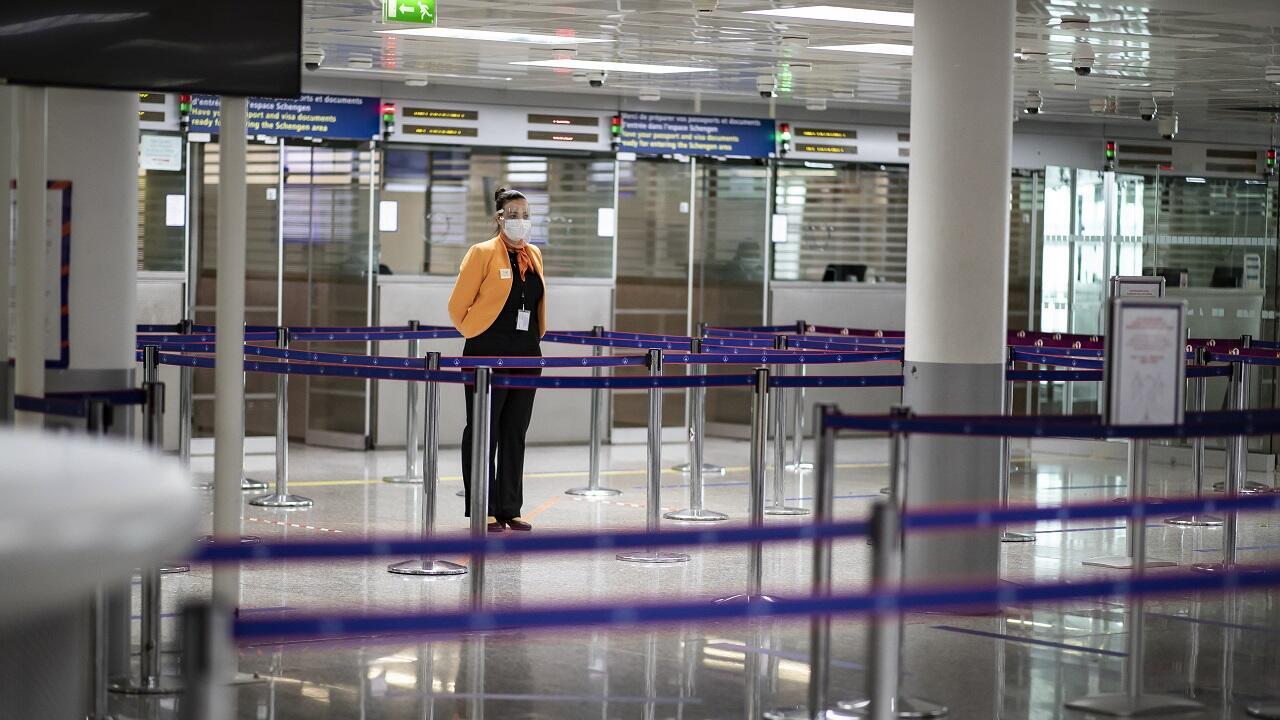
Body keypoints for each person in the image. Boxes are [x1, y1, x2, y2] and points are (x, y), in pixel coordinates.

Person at [447, 187, 545, 532]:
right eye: (513, 215)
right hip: (487, 354)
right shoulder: (482, 253)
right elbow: (457, 307)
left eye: (525, 215)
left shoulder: (533, 255)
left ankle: (509, 507)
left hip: (527, 354)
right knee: (483, 431)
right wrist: (477, 334)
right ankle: (482, 508)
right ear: (499, 218)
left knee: (514, 431)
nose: (521, 221)